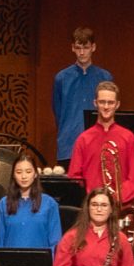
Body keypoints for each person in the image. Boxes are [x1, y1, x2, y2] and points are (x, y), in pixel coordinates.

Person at [67, 80, 134, 204]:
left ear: (117, 105)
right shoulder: (83, 139)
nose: (106, 107)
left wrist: (114, 199)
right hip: (92, 206)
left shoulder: (129, 138)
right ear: (95, 103)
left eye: (110, 102)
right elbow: (75, 177)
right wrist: (94, 199)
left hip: (120, 207)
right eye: (102, 102)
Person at [51, 27, 115, 164]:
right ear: (72, 48)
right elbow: (58, 113)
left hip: (98, 144)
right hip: (68, 145)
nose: (81, 52)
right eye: (78, 48)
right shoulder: (61, 78)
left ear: (93, 47)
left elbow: (110, 111)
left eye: (85, 47)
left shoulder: (105, 77)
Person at [52, 189, 134, 266]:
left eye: (104, 205)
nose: (99, 209)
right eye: (94, 205)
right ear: (88, 208)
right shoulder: (71, 237)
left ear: (111, 209)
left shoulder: (121, 238)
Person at [0, 155, 62, 251]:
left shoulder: (49, 204)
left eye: (28, 172)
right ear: (13, 175)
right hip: (10, 263)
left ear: (35, 174)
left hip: (41, 262)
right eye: (19, 172)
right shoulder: (4, 204)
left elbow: (55, 242)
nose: (23, 176)